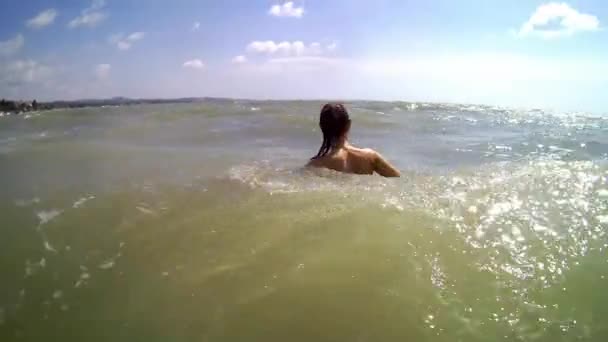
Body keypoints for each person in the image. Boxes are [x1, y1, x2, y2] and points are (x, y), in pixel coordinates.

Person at [307, 103, 401, 177]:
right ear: (349, 124)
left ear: (321, 127)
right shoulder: (370, 156)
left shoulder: (316, 165)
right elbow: (397, 178)